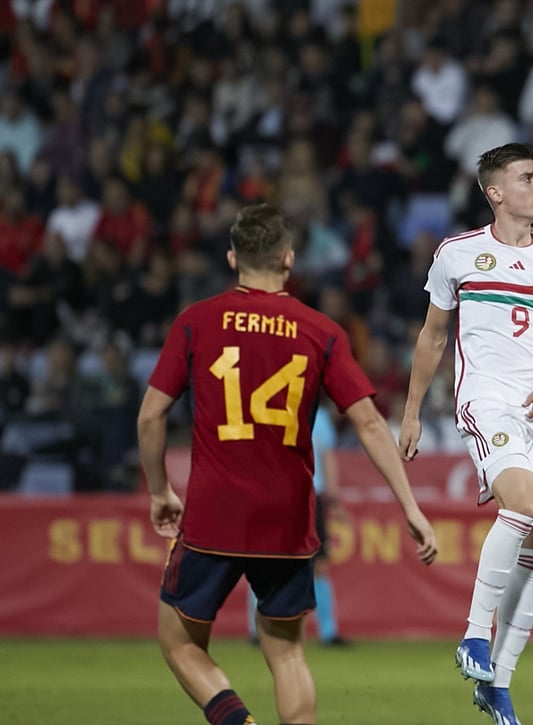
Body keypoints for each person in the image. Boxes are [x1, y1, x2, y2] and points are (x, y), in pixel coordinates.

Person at [138, 204, 438, 725]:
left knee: (179, 640)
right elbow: (368, 423)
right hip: (288, 514)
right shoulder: (320, 331)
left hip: (216, 510)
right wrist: (408, 505)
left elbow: (150, 417)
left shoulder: (196, 323)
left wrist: (160, 490)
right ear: (289, 259)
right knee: (287, 651)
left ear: (233, 258)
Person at [398, 143, 533, 725]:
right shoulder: (457, 255)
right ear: (495, 191)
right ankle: (475, 636)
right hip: (490, 401)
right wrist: (410, 411)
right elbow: (433, 338)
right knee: (522, 505)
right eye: (527, 177)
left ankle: (497, 686)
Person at [248, 401, 348, 646]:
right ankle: (257, 630)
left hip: (311, 496)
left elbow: (326, 458)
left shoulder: (319, 416)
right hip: (276, 493)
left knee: (319, 564)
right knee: (264, 562)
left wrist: (333, 499)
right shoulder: (267, 408)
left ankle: (328, 632)